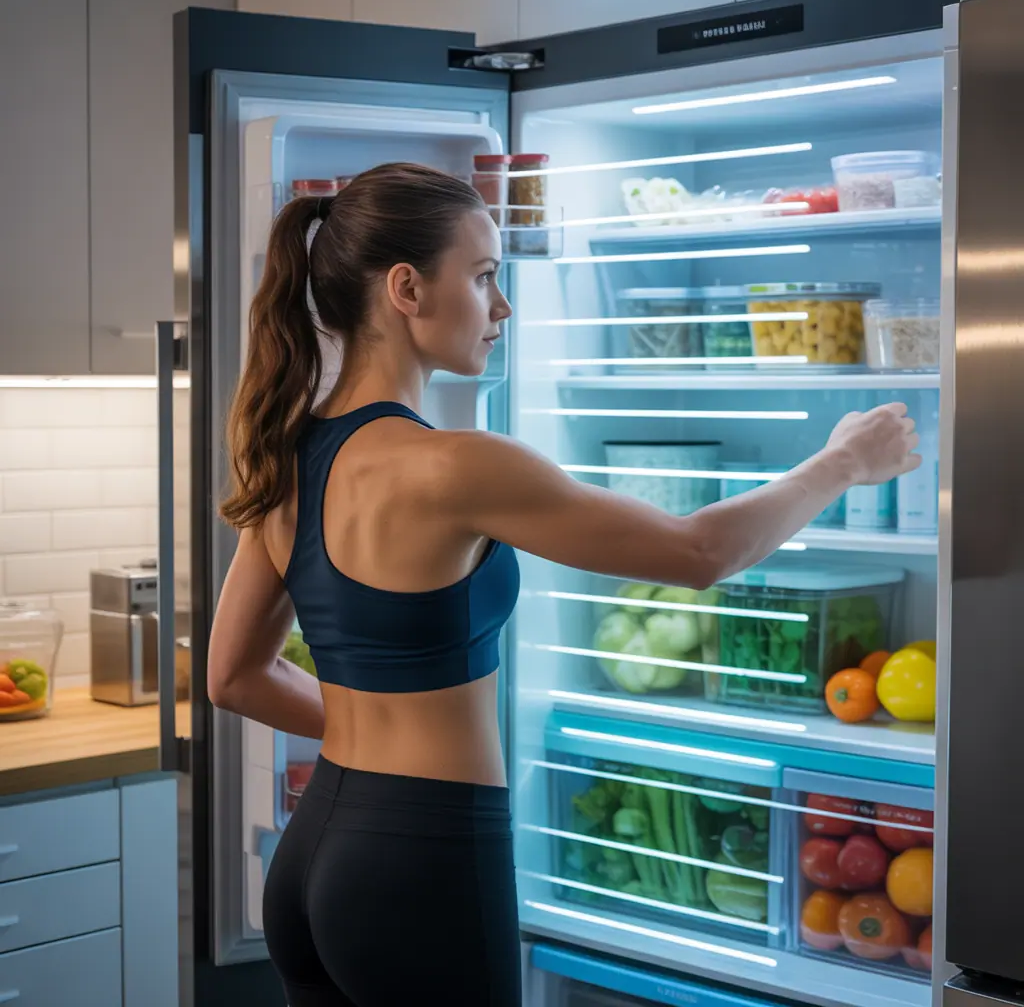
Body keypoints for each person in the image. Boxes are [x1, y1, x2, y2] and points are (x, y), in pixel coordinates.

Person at [207, 162, 920, 1007]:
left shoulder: (295, 456)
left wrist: (374, 738)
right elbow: (700, 553)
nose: (501, 306)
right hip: (421, 860)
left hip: (318, 850)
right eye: (482, 278)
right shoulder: (454, 466)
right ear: (406, 288)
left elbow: (231, 675)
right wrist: (843, 461)